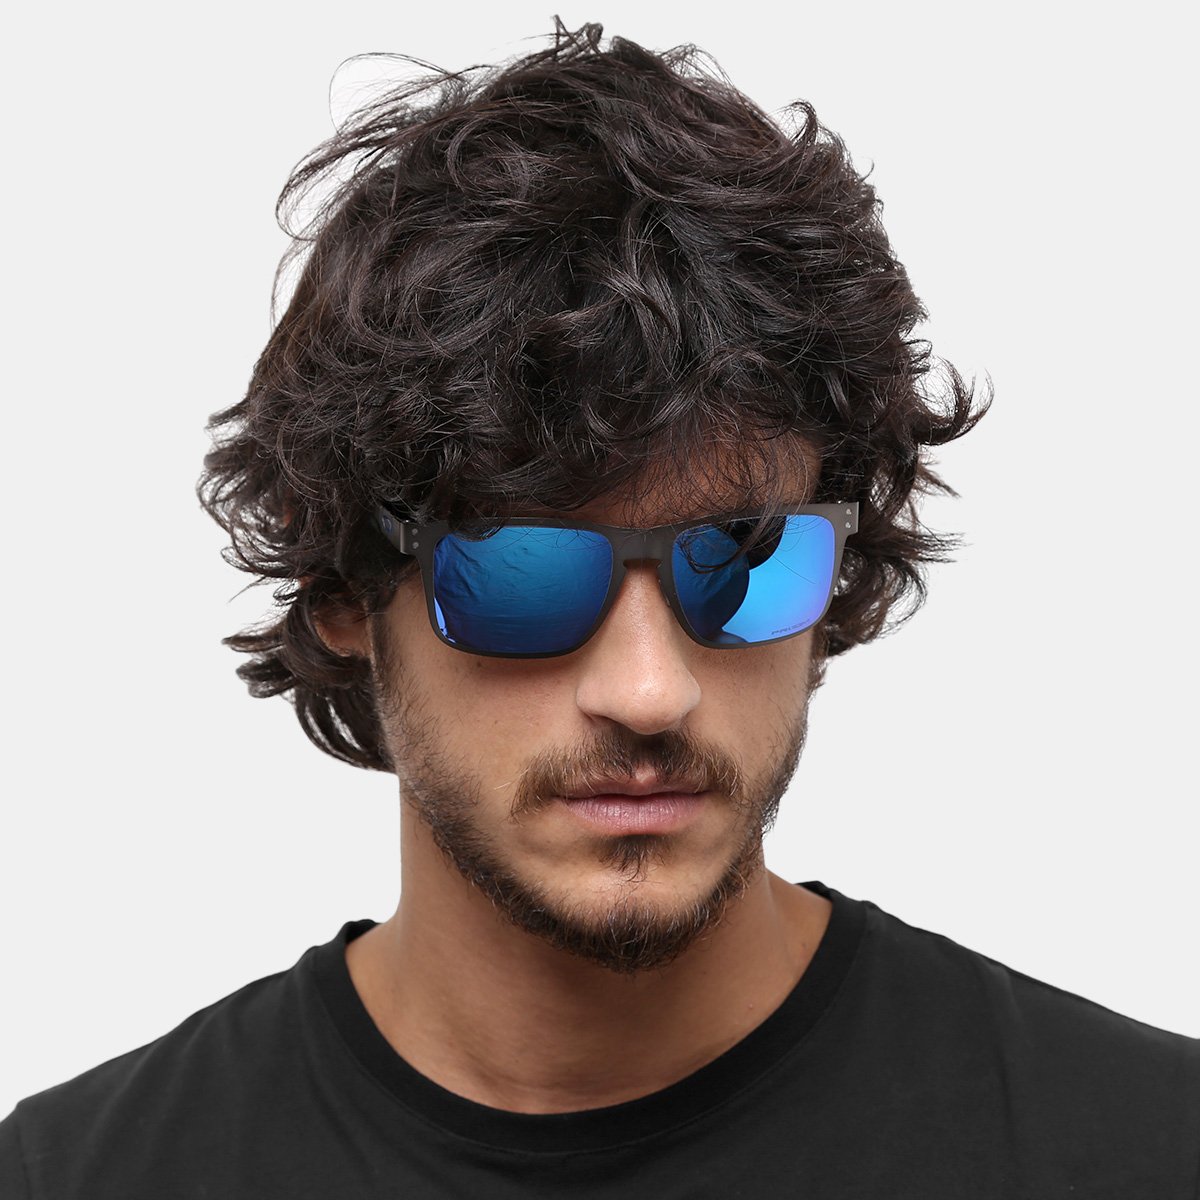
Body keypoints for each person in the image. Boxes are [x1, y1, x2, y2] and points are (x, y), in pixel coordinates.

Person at [2, 20, 1196, 1199]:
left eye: (743, 561)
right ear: (344, 590)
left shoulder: (1147, 1148)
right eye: (526, 574)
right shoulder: (75, 1176)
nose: (650, 691)